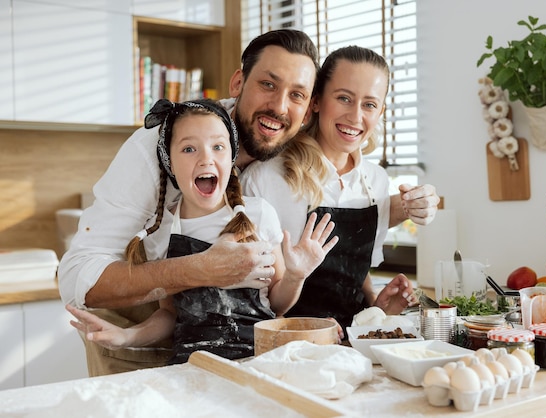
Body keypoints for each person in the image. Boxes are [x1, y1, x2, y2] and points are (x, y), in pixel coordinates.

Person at [58, 29, 438, 375]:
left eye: (297, 95)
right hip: (134, 329)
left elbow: (337, 202)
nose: (279, 107)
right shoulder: (162, 143)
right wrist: (199, 270)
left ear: (310, 106)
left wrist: (408, 205)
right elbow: (77, 278)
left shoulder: (287, 146)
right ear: (238, 81)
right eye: (267, 85)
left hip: (243, 352)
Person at [67, 98, 338, 363]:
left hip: (259, 360)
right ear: (169, 162)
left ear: (231, 156)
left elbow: (277, 305)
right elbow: (169, 317)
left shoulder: (260, 214)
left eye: (218, 147)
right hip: (195, 365)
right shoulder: (162, 234)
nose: (206, 158)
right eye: (189, 149)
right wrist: (126, 337)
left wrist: (296, 275)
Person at [241, 46, 420, 334]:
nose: (355, 116)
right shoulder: (267, 178)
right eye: (344, 98)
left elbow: (354, 278)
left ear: (381, 111)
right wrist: (311, 328)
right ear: (316, 101)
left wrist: (378, 308)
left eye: (370, 104)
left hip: (352, 344)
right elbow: (255, 303)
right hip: (292, 345)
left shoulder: (375, 180)